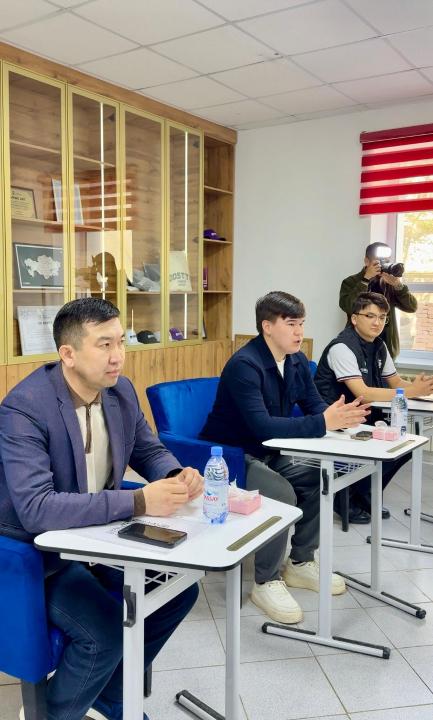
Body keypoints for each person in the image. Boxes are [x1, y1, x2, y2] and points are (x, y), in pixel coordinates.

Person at [0, 298, 203, 720]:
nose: (118, 356)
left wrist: (176, 474)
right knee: (104, 631)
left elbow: (148, 449)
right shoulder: (24, 409)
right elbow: (36, 508)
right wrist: (140, 500)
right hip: (37, 555)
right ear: (68, 354)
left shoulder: (120, 390)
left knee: (178, 592)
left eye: (121, 342)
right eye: (104, 345)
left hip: (97, 536)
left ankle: (107, 699)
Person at [200, 291, 369, 625]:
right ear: (267, 326)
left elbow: (313, 405)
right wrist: (323, 422)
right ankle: (266, 581)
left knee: (319, 475)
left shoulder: (296, 360)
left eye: (302, 323)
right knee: (280, 492)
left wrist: (340, 418)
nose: (299, 331)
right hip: (233, 456)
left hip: (270, 450)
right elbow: (262, 427)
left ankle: (300, 562)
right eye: (291, 324)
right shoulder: (245, 365)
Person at [315, 291, 433, 524]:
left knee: (406, 446)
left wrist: (420, 388)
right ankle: (346, 500)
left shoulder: (379, 346)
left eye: (382, 317)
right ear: (354, 318)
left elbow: (396, 382)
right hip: (338, 420)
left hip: (365, 417)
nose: (377, 322)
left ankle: (363, 496)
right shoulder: (342, 348)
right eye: (370, 316)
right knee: (389, 446)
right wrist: (411, 392)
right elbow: (364, 392)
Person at [339, 241, 417, 358]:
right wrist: (365, 280)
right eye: (379, 262)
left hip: (386, 348)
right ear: (367, 261)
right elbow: (349, 307)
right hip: (357, 347)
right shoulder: (351, 282)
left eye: (386, 261)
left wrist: (398, 286)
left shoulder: (390, 284)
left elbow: (412, 307)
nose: (382, 265)